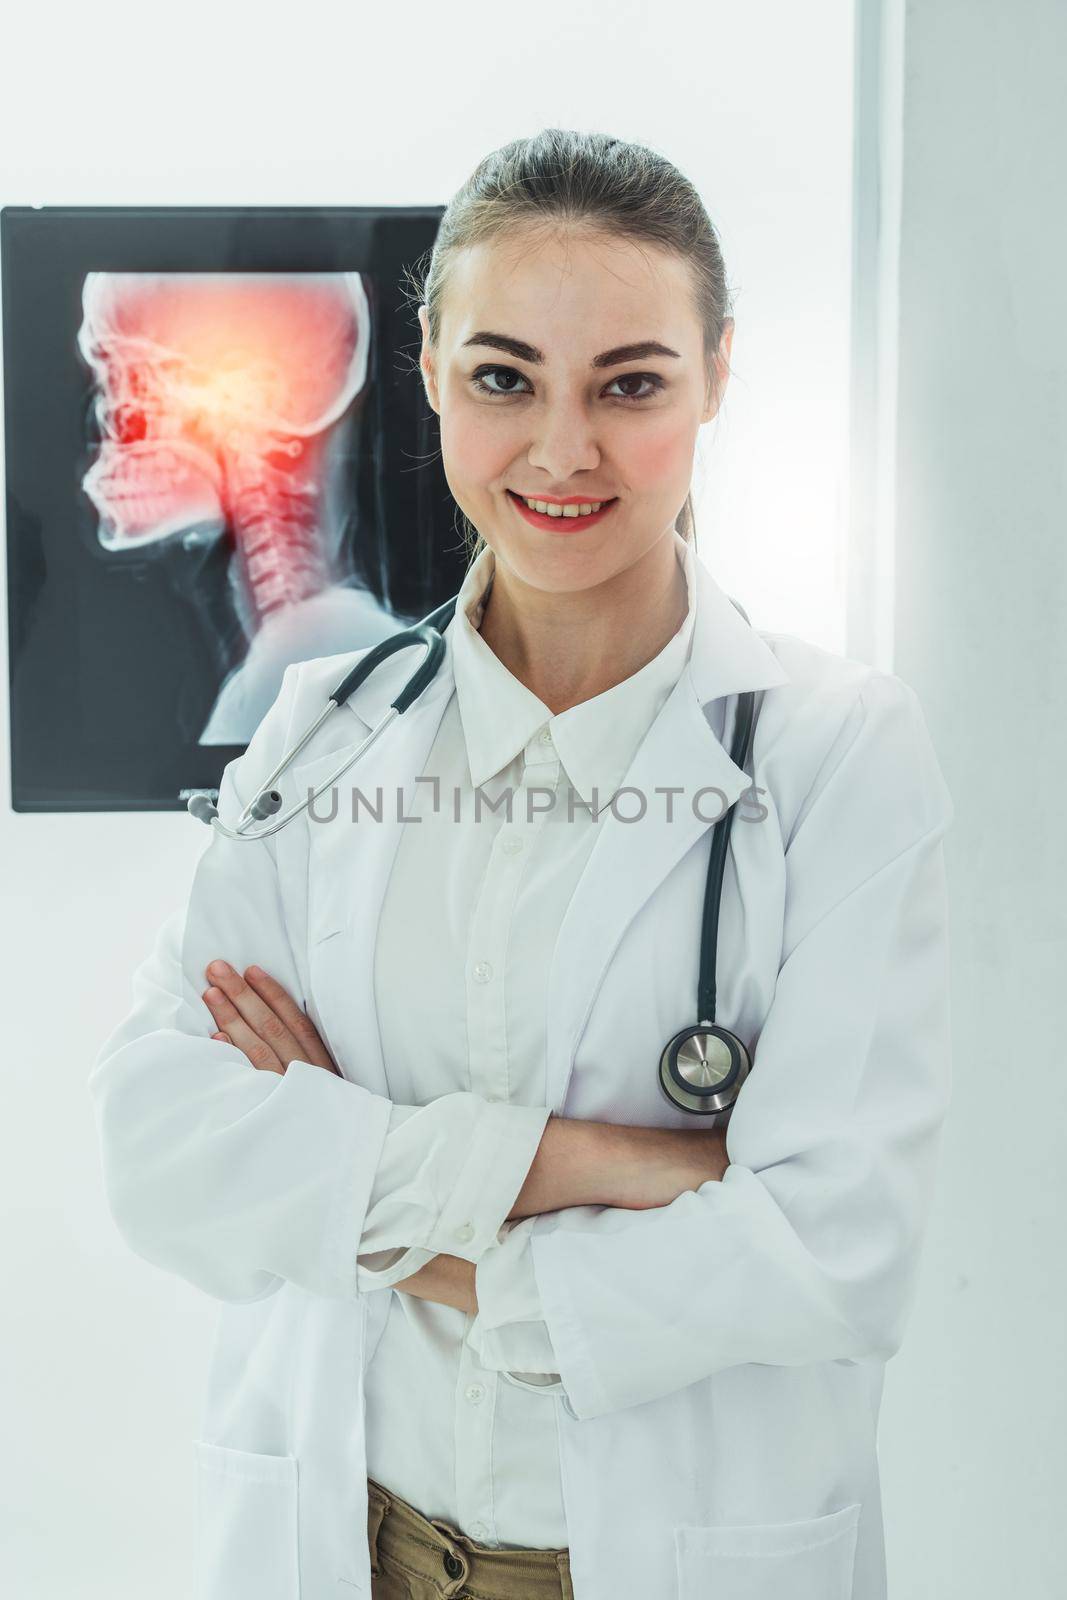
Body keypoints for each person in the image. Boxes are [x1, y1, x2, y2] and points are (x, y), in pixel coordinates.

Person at [89, 128, 954, 1600]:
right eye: (504, 378)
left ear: (719, 376)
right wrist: (595, 1171)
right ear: (425, 369)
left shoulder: (835, 760)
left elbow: (833, 1247)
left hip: (666, 1559)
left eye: (631, 383)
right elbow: (159, 1148)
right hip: (343, 1541)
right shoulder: (322, 734)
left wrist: (348, 1182)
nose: (564, 450)